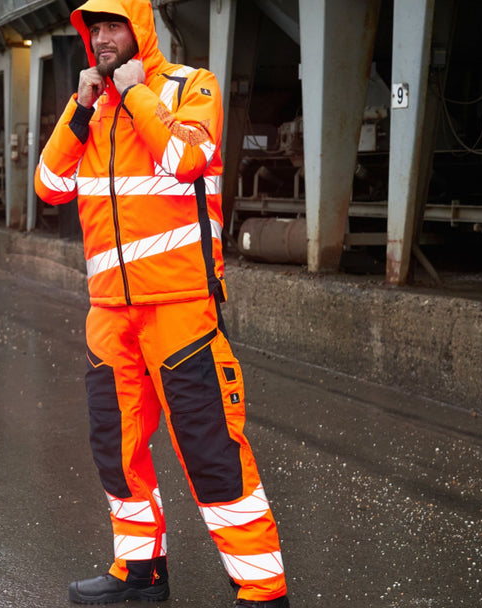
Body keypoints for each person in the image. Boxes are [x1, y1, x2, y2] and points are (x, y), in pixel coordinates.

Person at [33, 1, 289, 606]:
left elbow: (186, 161)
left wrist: (137, 93)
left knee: (212, 453)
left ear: (139, 30)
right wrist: (81, 105)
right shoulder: (89, 114)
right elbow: (49, 185)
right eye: (91, 29)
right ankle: (141, 571)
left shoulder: (188, 86)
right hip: (109, 315)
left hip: (179, 309)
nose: (100, 38)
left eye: (111, 25)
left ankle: (262, 591)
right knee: (114, 451)